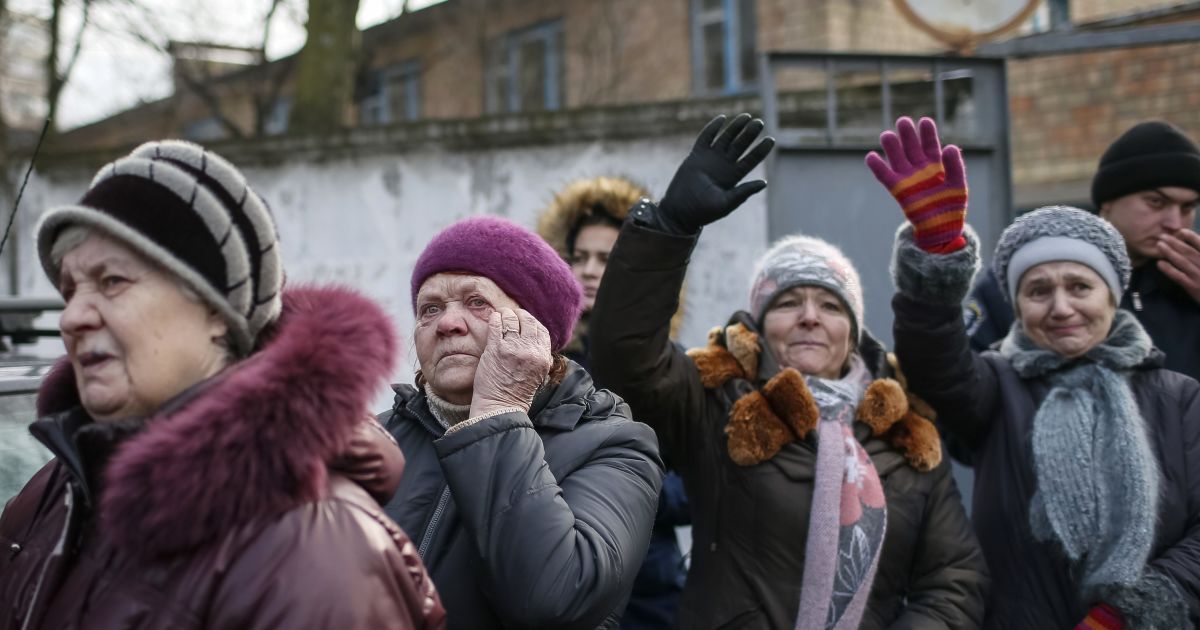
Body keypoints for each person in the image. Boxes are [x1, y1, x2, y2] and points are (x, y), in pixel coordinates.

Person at [0, 140, 445, 629]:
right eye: (69, 290)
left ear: (217, 311)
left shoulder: (312, 556)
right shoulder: (58, 488)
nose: (72, 317)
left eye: (112, 282)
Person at [590, 113, 988, 629]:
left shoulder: (906, 431)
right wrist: (669, 228)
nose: (809, 317)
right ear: (759, 327)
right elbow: (627, 361)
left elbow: (955, 580)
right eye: (787, 302)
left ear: (853, 332)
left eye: (831, 305)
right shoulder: (717, 403)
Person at [875, 116, 1200, 628]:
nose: (1062, 307)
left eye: (1080, 287)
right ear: (1016, 307)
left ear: (1112, 299)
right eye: (1038, 291)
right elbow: (936, 363)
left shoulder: (1180, 397)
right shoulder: (998, 384)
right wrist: (937, 261)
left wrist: (1128, 615)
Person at [379, 215, 664, 629]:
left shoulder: (614, 445)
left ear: (536, 331)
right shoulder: (375, 441)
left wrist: (498, 409)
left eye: (477, 302)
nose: (447, 323)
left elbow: (554, 600)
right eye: (430, 308)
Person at [537, 176, 690, 629]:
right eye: (579, 257)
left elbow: (697, 484)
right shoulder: (535, 360)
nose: (588, 270)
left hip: (648, 585)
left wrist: (622, 484)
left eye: (606, 258)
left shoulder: (665, 366)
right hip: (552, 574)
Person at [966, 121, 1200, 383]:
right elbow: (964, 383)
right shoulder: (1024, 278)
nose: (1174, 223)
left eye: (1188, 208)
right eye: (1156, 202)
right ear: (1108, 201)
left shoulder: (1190, 286)